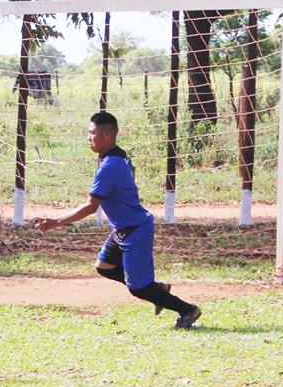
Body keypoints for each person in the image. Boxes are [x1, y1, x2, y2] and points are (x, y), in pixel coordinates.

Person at [33, 112, 202, 329]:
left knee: (138, 288)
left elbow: (90, 206)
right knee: (104, 267)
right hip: (123, 229)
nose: (88, 137)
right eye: (88, 132)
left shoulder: (109, 166)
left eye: (92, 133)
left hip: (135, 230)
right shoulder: (118, 156)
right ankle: (157, 289)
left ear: (108, 135)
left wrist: (55, 221)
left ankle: (187, 309)